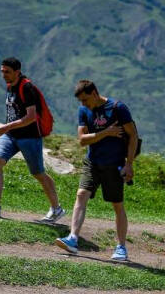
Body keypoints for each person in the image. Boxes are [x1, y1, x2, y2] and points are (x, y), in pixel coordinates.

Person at [55, 79, 138, 261]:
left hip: (114, 163)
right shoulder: (84, 110)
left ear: (94, 93)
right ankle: (73, 239)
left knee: (117, 205)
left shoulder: (118, 108)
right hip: (93, 162)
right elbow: (82, 139)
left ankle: (121, 248)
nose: (83, 104)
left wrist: (129, 163)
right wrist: (106, 132)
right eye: (80, 102)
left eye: (85, 100)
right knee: (81, 194)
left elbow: (133, 135)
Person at [0, 57, 65, 223]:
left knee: (38, 173)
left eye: (7, 72)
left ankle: (56, 209)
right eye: (2, 71)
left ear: (17, 72)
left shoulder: (27, 88)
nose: (4, 75)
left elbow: (31, 117)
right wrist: (9, 129)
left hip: (29, 137)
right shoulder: (10, 85)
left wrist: (6, 127)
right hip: (12, 135)